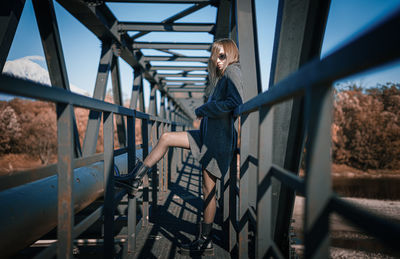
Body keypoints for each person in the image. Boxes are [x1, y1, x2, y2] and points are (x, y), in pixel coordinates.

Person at [116, 38, 244, 255]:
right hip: (206, 135)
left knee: (208, 190)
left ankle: (205, 241)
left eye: (222, 56)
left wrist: (205, 108)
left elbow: (235, 103)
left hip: (216, 141)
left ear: (231, 54)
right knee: (166, 137)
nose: (218, 61)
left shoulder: (233, 72)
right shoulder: (224, 75)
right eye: (216, 57)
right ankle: (135, 178)